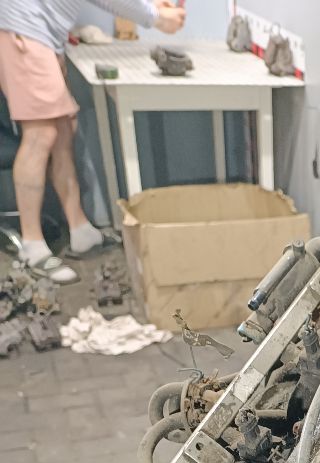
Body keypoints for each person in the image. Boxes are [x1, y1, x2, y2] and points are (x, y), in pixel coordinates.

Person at [0, 1, 186, 283]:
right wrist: (156, 17)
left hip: (41, 35)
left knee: (63, 130)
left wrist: (153, 9)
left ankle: (81, 231)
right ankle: (32, 246)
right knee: (40, 134)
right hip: (25, 30)